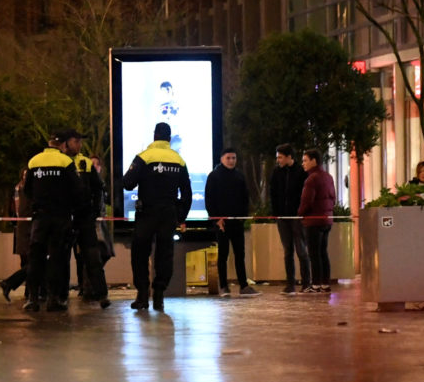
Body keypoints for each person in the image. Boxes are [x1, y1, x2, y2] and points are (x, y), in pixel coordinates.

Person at [122, 122, 192, 311]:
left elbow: (127, 183)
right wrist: (180, 216)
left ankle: (142, 295)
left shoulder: (144, 157)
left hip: (146, 213)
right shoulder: (179, 160)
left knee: (140, 253)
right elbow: (187, 193)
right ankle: (159, 296)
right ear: (169, 138)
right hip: (168, 214)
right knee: (165, 254)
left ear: (154, 136)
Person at [23, 130, 83, 312]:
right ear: (63, 145)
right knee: (57, 259)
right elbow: (77, 189)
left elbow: (27, 190)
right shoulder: (66, 162)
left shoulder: (34, 161)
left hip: (40, 218)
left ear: (49, 143)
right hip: (60, 217)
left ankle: (33, 299)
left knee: (35, 259)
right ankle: (53, 299)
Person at [205, 147, 260, 298]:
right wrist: (217, 219)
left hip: (237, 222)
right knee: (223, 255)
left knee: (240, 254)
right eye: (228, 158)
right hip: (221, 223)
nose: (231, 161)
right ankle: (223, 286)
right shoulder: (214, 176)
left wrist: (243, 216)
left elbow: (245, 197)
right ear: (222, 158)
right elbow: (209, 199)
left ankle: (243, 286)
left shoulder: (240, 176)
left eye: (234, 158)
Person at [67, 135, 110, 309]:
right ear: (66, 143)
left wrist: (93, 211)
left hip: (83, 218)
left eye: (80, 142)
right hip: (70, 218)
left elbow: (99, 188)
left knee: (92, 258)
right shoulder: (63, 162)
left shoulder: (84, 163)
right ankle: (61, 294)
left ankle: (100, 294)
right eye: (76, 141)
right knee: (61, 258)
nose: (79, 145)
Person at [270, 143, 312, 294]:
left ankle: (307, 283)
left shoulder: (301, 172)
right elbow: (273, 194)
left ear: (289, 157)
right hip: (282, 217)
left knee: (301, 250)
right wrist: (276, 214)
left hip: (297, 217)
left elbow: (305, 195)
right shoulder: (276, 173)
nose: (278, 160)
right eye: (277, 158)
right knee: (288, 251)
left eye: (280, 157)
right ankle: (290, 283)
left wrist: (302, 213)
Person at [298, 149, 335, 293]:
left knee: (314, 254)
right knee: (323, 252)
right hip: (327, 220)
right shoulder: (328, 177)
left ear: (314, 161)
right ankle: (325, 283)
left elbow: (306, 201)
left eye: (305, 160)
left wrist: (300, 213)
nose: (303, 164)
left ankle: (316, 284)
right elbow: (333, 198)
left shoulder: (311, 179)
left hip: (313, 221)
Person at [0, 168, 30, 303]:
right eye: (24, 175)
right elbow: (18, 210)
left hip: (27, 228)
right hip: (26, 229)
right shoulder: (22, 190)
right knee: (33, 262)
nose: (25, 177)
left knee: (33, 262)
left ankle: (29, 291)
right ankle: (10, 284)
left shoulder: (25, 189)